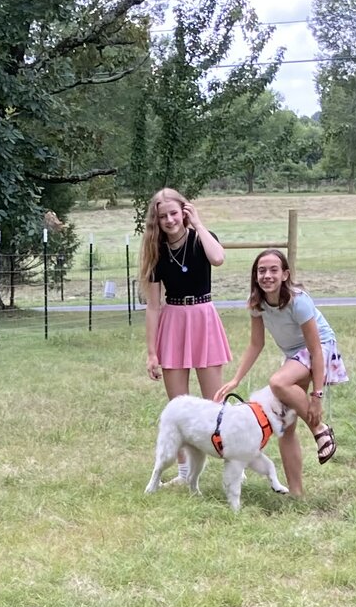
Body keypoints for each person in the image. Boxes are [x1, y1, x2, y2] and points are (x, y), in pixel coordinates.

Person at [222, 248, 344, 495]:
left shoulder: (298, 301)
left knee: (278, 382)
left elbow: (315, 350)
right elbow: (256, 344)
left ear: (285, 274)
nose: (267, 275)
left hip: (319, 347)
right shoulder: (258, 304)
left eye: (273, 270)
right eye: (261, 270)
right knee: (285, 427)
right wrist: (236, 379)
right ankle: (297, 494)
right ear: (255, 276)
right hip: (293, 356)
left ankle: (320, 430)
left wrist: (316, 396)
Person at [142, 187, 230, 403]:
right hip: (173, 321)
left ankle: (216, 438)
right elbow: (153, 306)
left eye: (174, 213)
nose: (169, 220)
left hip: (204, 318)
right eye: (163, 216)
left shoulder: (202, 239)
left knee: (215, 405)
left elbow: (218, 258)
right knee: (179, 407)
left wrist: (198, 224)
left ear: (184, 212)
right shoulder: (156, 251)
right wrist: (152, 353)